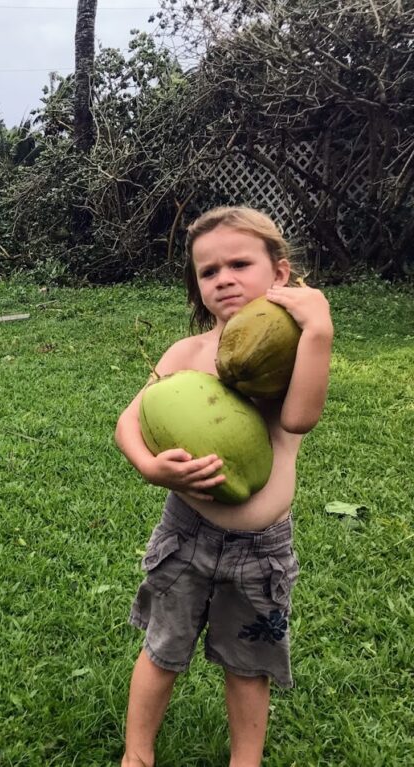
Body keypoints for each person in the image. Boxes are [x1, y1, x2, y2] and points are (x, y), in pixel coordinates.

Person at [114, 207, 333, 767]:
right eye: (209, 272)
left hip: (262, 549)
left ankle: (246, 761)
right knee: (162, 649)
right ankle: (137, 755)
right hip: (186, 534)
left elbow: (302, 417)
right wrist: (149, 466)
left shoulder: (289, 357)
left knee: (249, 663)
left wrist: (319, 330)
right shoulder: (185, 355)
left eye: (240, 263)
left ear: (279, 274)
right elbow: (130, 420)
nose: (224, 279)